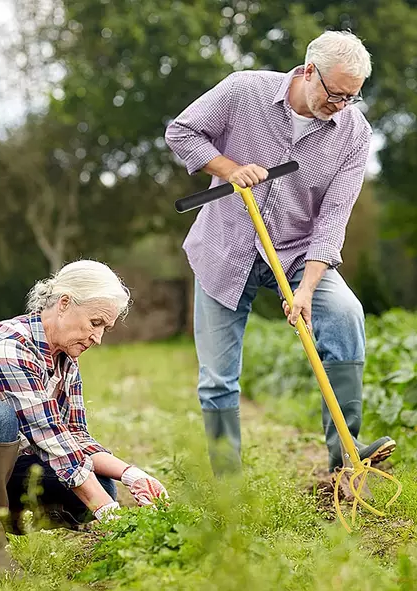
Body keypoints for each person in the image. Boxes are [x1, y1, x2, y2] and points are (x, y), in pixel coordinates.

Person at [165, 30, 396, 476]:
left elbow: (333, 219)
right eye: (336, 94)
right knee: (217, 377)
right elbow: (182, 132)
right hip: (225, 245)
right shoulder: (243, 90)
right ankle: (228, 483)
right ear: (309, 71)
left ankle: (346, 457)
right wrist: (230, 169)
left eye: (353, 97)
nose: (342, 105)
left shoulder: (353, 134)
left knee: (346, 314)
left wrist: (307, 289)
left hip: (293, 253)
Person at [0, 259, 168, 574]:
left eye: (105, 328)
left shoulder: (65, 361)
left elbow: (74, 436)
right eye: (95, 322)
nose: (98, 338)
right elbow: (50, 440)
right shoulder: (9, 346)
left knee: (100, 485)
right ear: (64, 304)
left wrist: (131, 474)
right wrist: (113, 517)